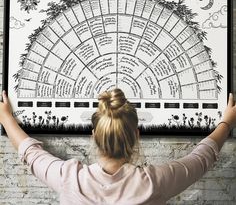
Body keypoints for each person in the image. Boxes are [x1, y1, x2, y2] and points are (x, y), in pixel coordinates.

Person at [0, 88, 235, 205]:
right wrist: (227, 121)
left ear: (94, 136)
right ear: (136, 135)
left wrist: (6, 118)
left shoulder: (68, 177)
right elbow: (202, 158)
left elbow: (30, 153)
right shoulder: (156, 182)